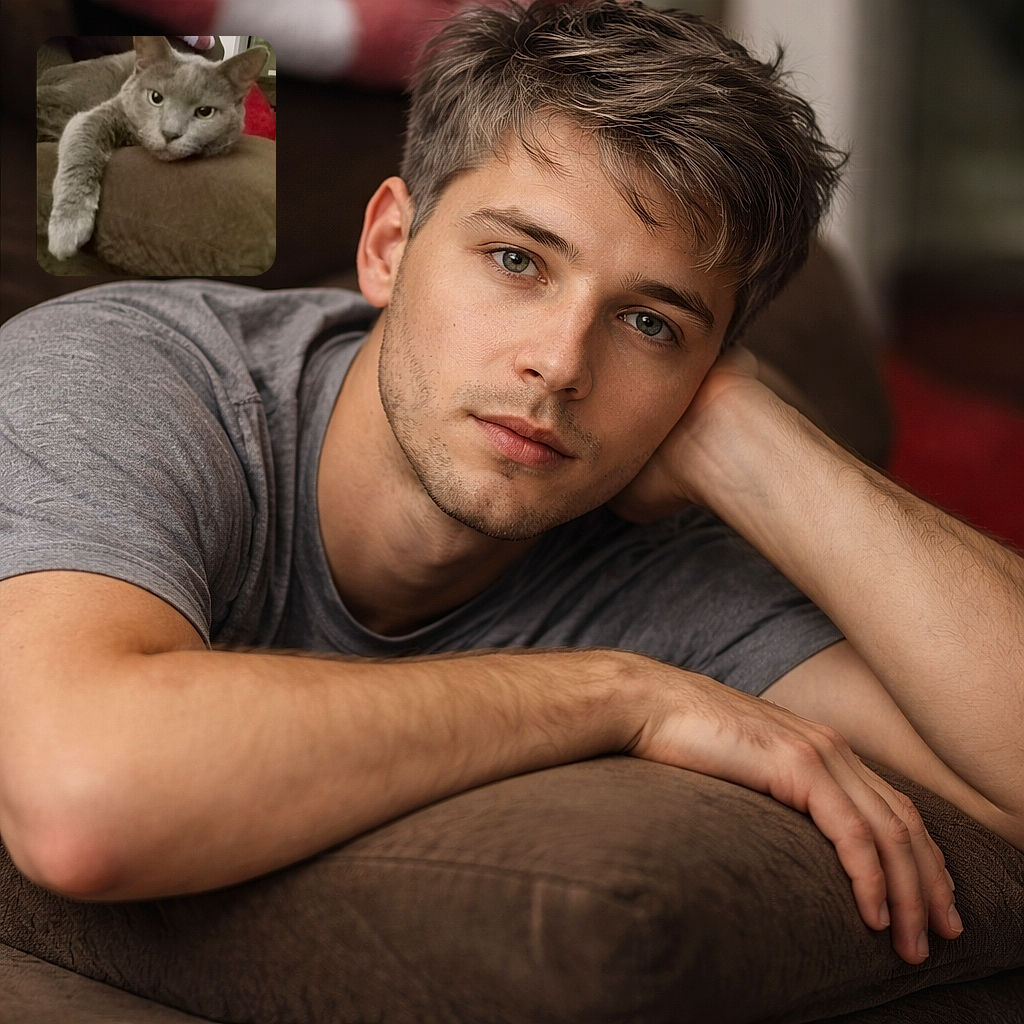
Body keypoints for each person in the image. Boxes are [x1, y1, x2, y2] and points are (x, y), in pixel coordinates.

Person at [1, 0, 1021, 974]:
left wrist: (750, 440)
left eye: (650, 322)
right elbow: (80, 804)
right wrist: (618, 694)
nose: (562, 362)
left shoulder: (655, 559)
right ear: (389, 245)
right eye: (516, 260)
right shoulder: (118, 377)